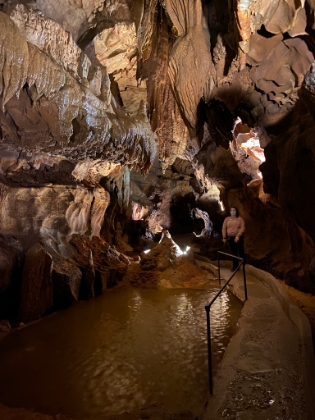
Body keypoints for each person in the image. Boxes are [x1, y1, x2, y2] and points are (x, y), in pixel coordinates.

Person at [222, 206, 245, 271]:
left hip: (238, 236)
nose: (232, 212)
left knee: (240, 249)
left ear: (236, 211)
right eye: (231, 210)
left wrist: (238, 235)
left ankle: (243, 263)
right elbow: (224, 228)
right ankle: (235, 266)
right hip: (230, 236)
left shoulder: (239, 219)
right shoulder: (227, 219)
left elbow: (242, 227)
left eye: (234, 210)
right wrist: (224, 237)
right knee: (233, 251)